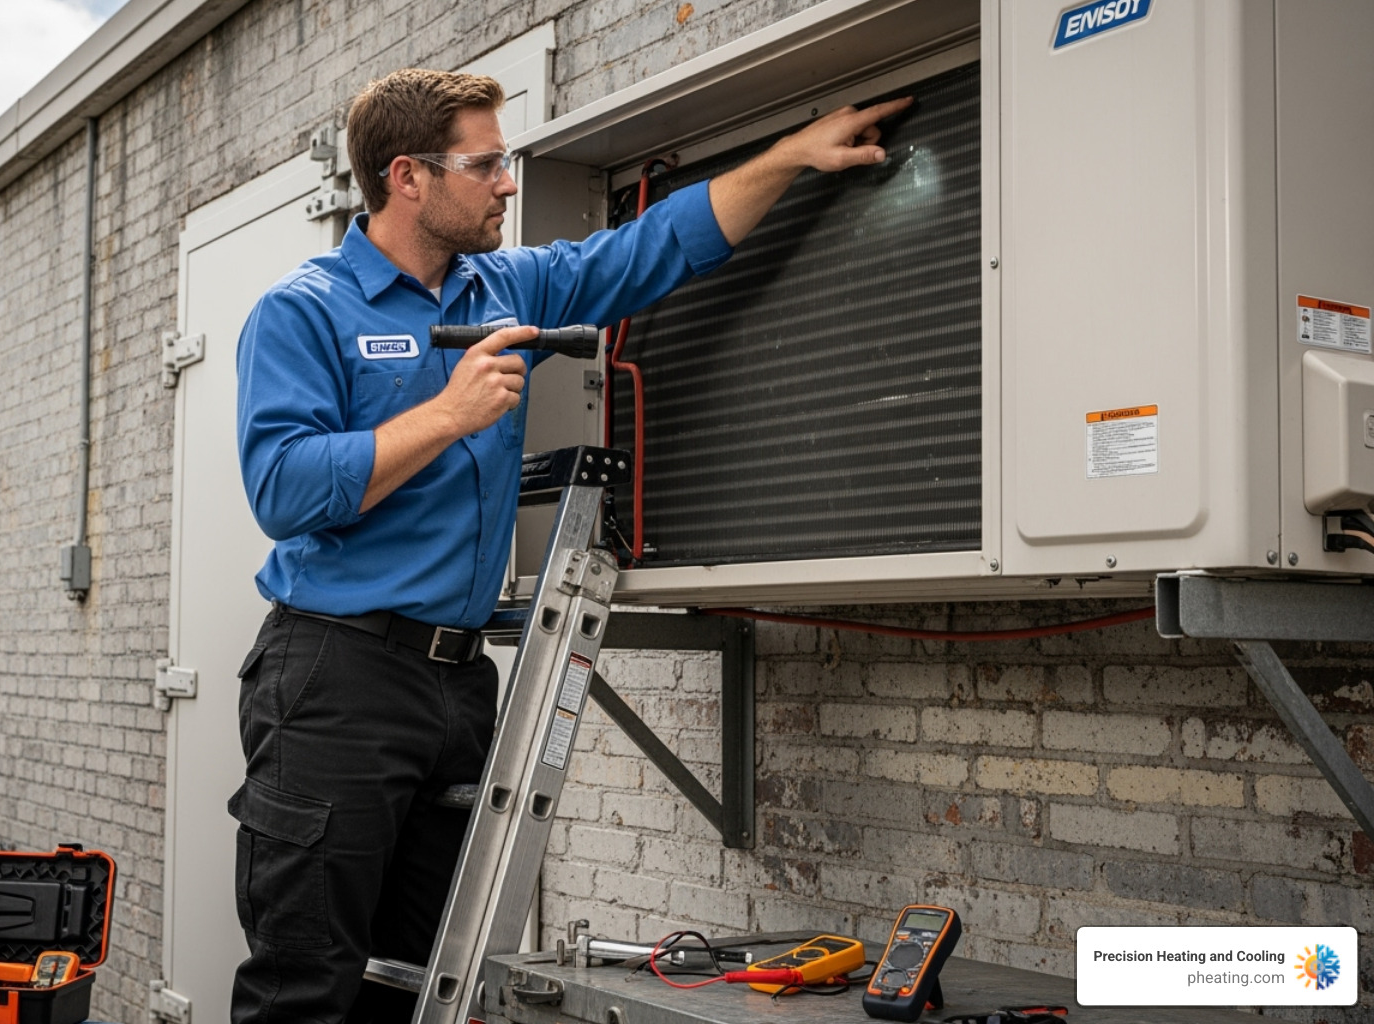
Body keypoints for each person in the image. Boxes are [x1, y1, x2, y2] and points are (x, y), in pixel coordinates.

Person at [230, 67, 911, 1023]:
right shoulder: (304, 310)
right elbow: (284, 488)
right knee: (306, 984)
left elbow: (652, 250)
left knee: (422, 983)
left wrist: (791, 155)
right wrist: (447, 414)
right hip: (335, 679)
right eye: (486, 163)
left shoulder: (506, 285)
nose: (508, 182)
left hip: (459, 684)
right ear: (407, 177)